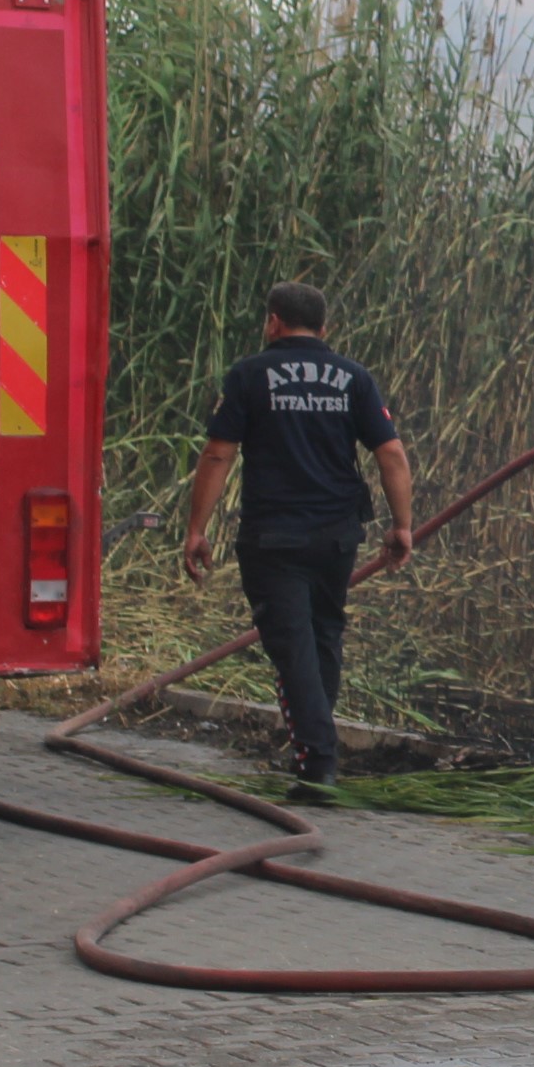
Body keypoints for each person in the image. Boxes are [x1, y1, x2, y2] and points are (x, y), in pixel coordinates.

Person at [180, 282, 413, 787]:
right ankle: (315, 750)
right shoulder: (353, 377)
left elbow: (218, 454)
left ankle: (317, 759)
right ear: (324, 329)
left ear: (272, 322)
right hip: (336, 536)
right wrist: (401, 525)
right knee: (323, 635)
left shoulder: (249, 375)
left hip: (274, 537)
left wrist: (197, 529)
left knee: (292, 646)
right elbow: (390, 454)